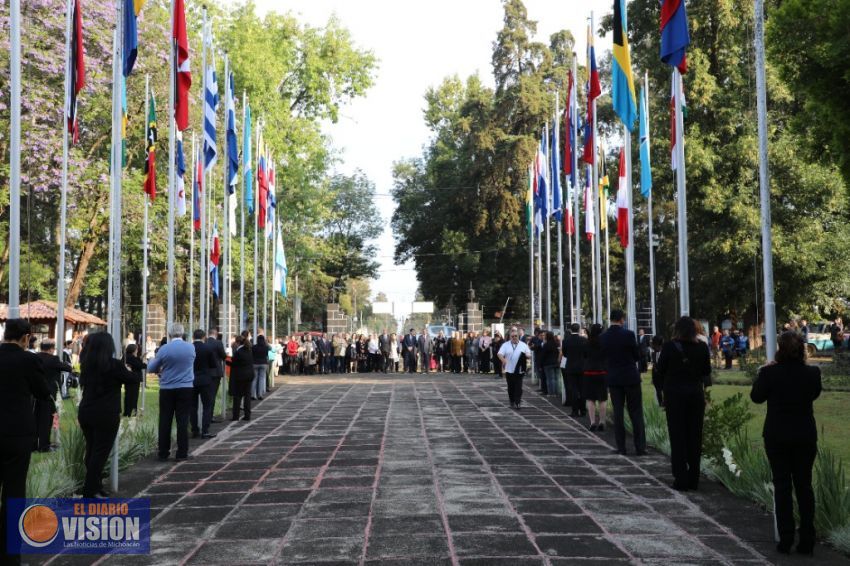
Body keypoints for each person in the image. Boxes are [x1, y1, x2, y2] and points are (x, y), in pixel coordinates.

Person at [751, 331, 822, 555]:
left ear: (779, 349)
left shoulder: (770, 373)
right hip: (804, 434)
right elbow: (813, 394)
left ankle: (786, 537)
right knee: (804, 486)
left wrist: (763, 372)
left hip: (777, 434)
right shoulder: (812, 373)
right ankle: (807, 538)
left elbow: (757, 397)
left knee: (782, 486)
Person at [0, 319, 50, 563]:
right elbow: (42, 392)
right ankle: (10, 556)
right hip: (17, 433)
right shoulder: (28, 360)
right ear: (25, 338)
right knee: (14, 492)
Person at [78, 332, 140, 498]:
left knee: (91, 449)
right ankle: (90, 490)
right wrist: (129, 369)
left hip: (86, 411)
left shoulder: (86, 364)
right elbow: (133, 379)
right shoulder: (114, 365)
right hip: (106, 413)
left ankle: (95, 485)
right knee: (100, 453)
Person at [655, 317, 711, 491]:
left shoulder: (670, 347)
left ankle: (680, 477)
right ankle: (694, 478)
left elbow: (661, 369)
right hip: (695, 395)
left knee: (677, 436)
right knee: (695, 436)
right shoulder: (702, 347)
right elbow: (706, 371)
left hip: (675, 396)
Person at [147, 323, 196, 461]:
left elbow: (151, 368)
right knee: (183, 421)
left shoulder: (164, 349)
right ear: (183, 333)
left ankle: (163, 452)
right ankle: (182, 453)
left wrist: (153, 360)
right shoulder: (190, 348)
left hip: (167, 388)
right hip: (185, 387)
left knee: (165, 420)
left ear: (169, 334)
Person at [600, 310, 645, 456]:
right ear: (622, 319)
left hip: (614, 378)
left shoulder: (604, 337)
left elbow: (604, 356)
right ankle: (640, 447)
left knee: (618, 412)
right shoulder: (628, 334)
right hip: (630, 376)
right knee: (636, 412)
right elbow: (636, 355)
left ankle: (621, 447)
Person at [33, 340, 71, 452]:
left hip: (34, 393)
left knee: (35, 419)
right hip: (48, 393)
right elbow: (67, 368)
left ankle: (33, 445)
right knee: (46, 421)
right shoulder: (53, 359)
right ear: (50, 349)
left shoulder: (34, 357)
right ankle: (44, 446)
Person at [189, 330, 218, 439]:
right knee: (207, 405)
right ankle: (205, 430)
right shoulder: (207, 348)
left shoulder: (189, 348)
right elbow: (213, 364)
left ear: (193, 336)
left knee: (192, 406)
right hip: (205, 379)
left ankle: (194, 429)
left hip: (192, 379)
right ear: (204, 337)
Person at [497, 328, 531, 409]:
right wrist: (503, 360)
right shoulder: (505, 345)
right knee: (511, 387)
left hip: (520, 369)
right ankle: (512, 400)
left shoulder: (523, 345)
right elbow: (499, 354)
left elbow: (529, 354)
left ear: (518, 336)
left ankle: (517, 402)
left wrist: (527, 356)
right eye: (512, 336)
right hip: (509, 369)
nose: (514, 337)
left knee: (518, 386)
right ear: (510, 337)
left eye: (516, 336)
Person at [583, 324, 608, 431]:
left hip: (589, 372)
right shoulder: (605, 344)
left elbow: (584, 356)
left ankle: (592, 422)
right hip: (602, 372)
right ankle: (602, 421)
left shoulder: (586, 343)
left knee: (590, 398)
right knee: (602, 398)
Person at [228, 335, 255, 421]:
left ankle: (235, 416)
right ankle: (247, 415)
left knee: (238, 396)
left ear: (237, 342)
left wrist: (226, 361)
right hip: (249, 375)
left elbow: (235, 364)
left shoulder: (239, 352)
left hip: (240, 376)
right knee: (247, 396)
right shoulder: (249, 350)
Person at [563, 324, 587, 416]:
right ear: (579, 329)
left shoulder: (566, 341)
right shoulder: (584, 340)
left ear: (571, 330)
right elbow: (586, 354)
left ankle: (574, 411)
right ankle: (583, 410)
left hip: (570, 367)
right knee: (582, 390)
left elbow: (565, 354)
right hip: (582, 367)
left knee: (573, 389)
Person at [206, 329, 227, 422]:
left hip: (205, 372)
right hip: (215, 372)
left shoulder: (204, 342)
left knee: (205, 395)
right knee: (212, 395)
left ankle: (205, 416)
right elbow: (223, 356)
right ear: (216, 334)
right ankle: (210, 416)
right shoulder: (218, 343)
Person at [123, 344, 145, 418]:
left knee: (128, 396)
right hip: (134, 379)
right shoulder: (132, 357)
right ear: (133, 350)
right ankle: (132, 413)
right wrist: (144, 362)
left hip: (128, 379)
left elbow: (136, 362)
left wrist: (140, 358)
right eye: (136, 349)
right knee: (133, 397)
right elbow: (141, 365)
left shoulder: (126, 356)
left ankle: (127, 412)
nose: (137, 351)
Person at [541, 331, 560, 398]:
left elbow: (543, 355)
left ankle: (551, 393)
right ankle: (556, 392)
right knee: (556, 378)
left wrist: (541, 364)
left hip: (548, 364)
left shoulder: (546, 345)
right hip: (556, 363)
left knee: (549, 379)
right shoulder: (556, 344)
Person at [251, 335, 270, 399]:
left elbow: (252, 355)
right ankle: (260, 394)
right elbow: (267, 355)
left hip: (255, 363)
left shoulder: (254, 347)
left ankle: (253, 394)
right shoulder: (266, 347)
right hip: (263, 363)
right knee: (261, 379)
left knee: (254, 379)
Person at [649, 335, 664, 406]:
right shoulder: (653, 353)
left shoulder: (663, 353)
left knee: (662, 389)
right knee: (658, 389)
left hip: (661, 374)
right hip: (656, 374)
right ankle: (661, 403)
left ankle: (663, 403)